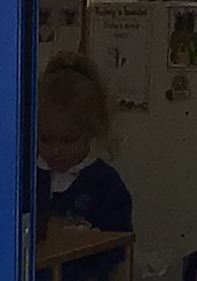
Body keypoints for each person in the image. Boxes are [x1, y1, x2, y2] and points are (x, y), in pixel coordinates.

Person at [34, 53, 134, 235]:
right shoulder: (25, 177)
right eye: (46, 139)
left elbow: (120, 243)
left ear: (91, 133)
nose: (56, 151)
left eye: (68, 141)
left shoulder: (107, 185)